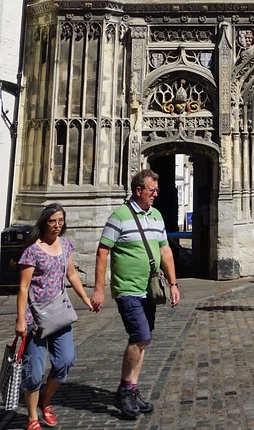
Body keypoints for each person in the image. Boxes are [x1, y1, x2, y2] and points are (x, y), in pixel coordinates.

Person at [90, 169, 180, 420]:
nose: (156, 194)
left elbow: (165, 251)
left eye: (157, 190)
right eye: (152, 190)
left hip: (149, 288)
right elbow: (102, 252)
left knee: (144, 339)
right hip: (127, 289)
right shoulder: (119, 216)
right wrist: (99, 289)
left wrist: (173, 284)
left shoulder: (157, 216)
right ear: (138, 190)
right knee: (140, 335)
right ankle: (124, 390)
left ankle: (132, 388)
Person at [16, 203, 93, 430]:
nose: (57, 225)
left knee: (65, 360)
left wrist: (85, 298)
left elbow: (72, 274)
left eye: (60, 221)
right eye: (52, 221)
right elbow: (23, 287)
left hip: (59, 314)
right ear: (44, 222)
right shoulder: (32, 251)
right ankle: (32, 418)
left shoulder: (65, 245)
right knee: (35, 371)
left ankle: (45, 399)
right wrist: (20, 320)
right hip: (35, 318)